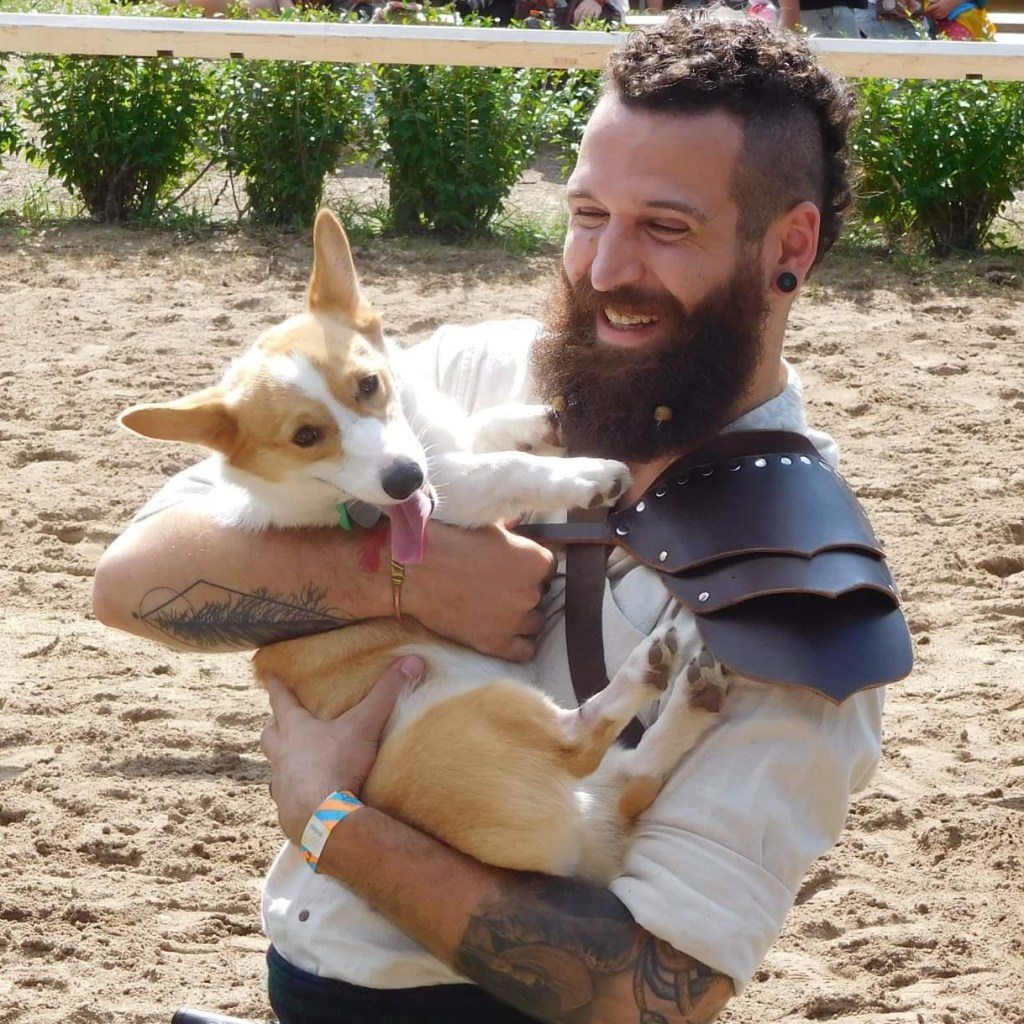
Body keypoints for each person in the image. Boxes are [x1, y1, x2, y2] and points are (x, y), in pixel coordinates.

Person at [93, 14, 912, 1024]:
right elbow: (129, 586)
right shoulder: (466, 373)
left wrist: (328, 818)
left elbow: (644, 990)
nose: (605, 268)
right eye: (585, 214)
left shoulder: (805, 583)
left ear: (788, 244)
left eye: (665, 227)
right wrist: (403, 573)